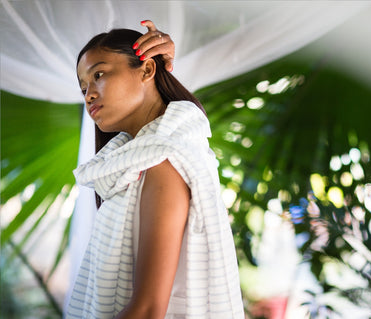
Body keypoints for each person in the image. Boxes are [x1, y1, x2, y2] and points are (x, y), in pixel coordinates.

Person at [66, 20, 244, 319]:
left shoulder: (163, 159)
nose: (88, 95)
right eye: (84, 87)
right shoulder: (134, 162)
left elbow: (149, 309)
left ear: (147, 70)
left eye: (98, 75)